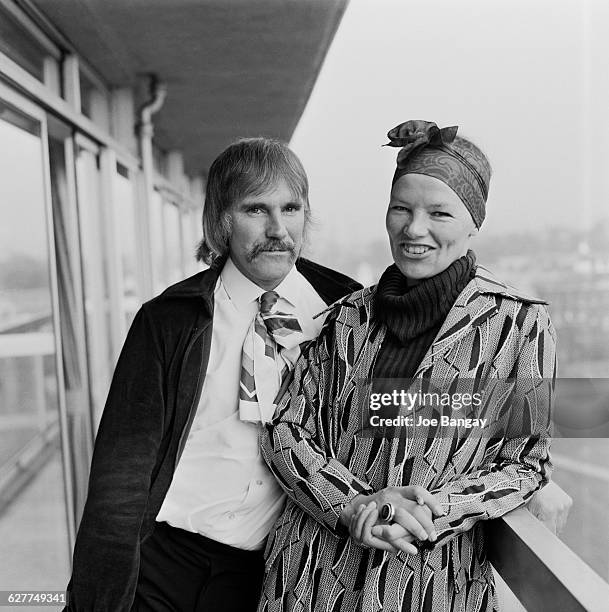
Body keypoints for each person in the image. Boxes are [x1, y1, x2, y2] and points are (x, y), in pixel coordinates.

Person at [259, 121, 558, 611]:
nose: (414, 229)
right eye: (401, 208)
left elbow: (525, 463)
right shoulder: (344, 317)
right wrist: (354, 504)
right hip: (311, 579)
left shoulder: (520, 325)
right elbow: (286, 431)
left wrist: (429, 512)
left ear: (473, 222)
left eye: (439, 212)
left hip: (434, 586)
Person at [65, 138, 361, 612]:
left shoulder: (345, 313)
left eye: (290, 208)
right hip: (163, 565)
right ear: (222, 221)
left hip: (270, 573)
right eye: (255, 210)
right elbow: (119, 478)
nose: (277, 229)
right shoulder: (169, 320)